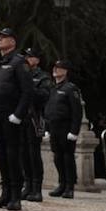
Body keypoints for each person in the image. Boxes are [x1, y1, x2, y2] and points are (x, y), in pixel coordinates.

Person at [0, 27, 33, 211]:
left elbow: (27, 91)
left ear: (13, 42)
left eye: (4, 37)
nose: (0, 39)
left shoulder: (19, 62)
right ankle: (5, 192)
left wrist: (18, 114)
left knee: (12, 155)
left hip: (11, 116)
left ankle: (16, 195)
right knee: (0, 154)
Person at [44, 58, 83, 198]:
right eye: (54, 67)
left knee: (67, 157)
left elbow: (77, 111)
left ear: (65, 71)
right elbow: (48, 109)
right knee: (57, 157)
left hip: (66, 128)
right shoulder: (53, 88)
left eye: (59, 68)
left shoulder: (70, 88)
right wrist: (47, 128)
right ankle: (61, 184)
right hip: (54, 127)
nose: (55, 70)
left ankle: (69, 187)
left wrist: (74, 131)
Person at [20, 47, 52, 202]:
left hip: (35, 117)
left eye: (30, 57)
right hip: (21, 117)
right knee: (23, 153)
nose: (27, 59)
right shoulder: (21, 74)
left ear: (37, 60)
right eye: (26, 56)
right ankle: (27, 185)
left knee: (34, 154)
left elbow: (44, 96)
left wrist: (29, 86)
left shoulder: (43, 77)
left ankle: (36, 188)